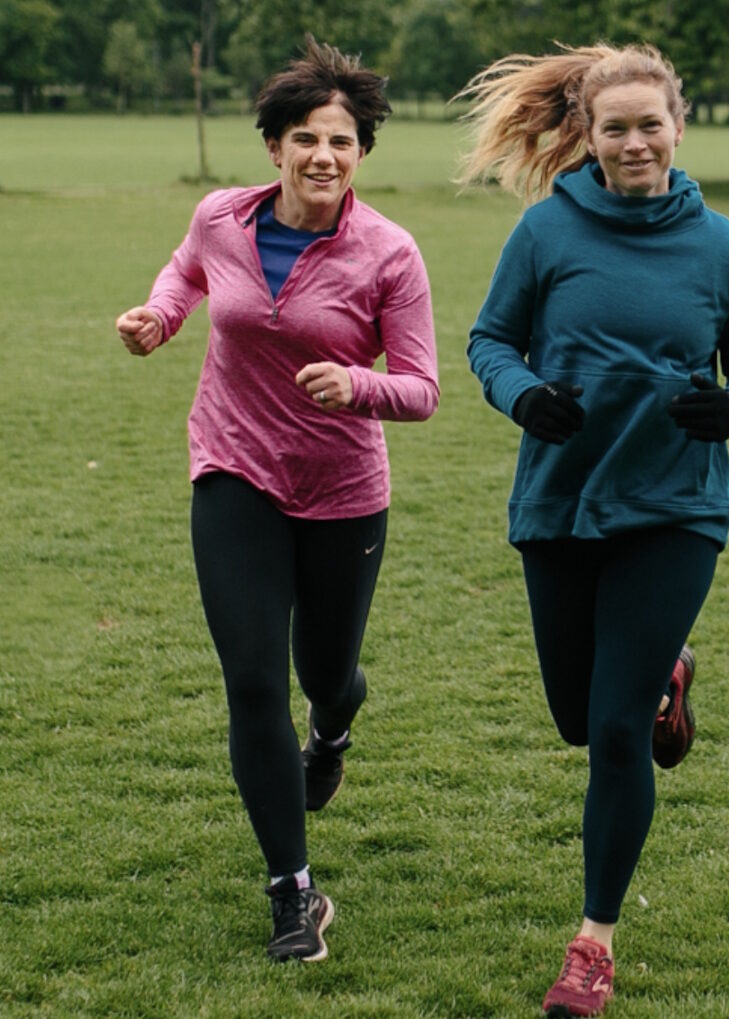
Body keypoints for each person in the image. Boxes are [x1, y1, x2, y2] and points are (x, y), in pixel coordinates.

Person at [457, 43, 729, 1017]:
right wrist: (521, 395)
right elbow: (487, 341)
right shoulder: (543, 233)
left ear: (678, 127)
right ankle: (663, 679)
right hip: (559, 503)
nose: (634, 141)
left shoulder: (724, 245)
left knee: (609, 732)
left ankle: (591, 942)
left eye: (650, 124)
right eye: (615, 127)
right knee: (576, 716)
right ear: (588, 137)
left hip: (674, 507)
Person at [115, 37, 439, 963]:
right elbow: (186, 272)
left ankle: (334, 722)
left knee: (323, 672)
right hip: (233, 471)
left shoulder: (389, 253)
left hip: (341, 492)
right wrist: (157, 317)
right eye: (304, 138)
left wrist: (357, 384)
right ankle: (293, 891)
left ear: (362, 153)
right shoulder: (222, 216)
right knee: (253, 679)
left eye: (340, 140)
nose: (322, 156)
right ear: (275, 147)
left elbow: (421, 387)